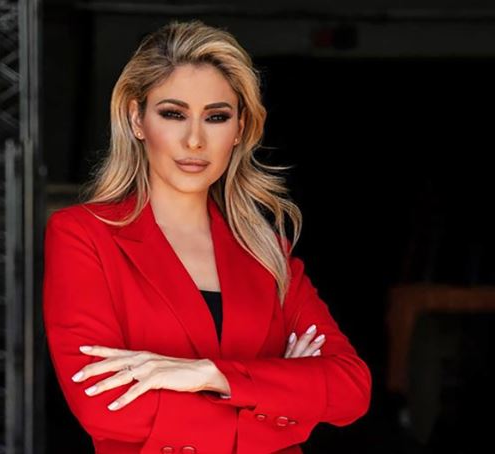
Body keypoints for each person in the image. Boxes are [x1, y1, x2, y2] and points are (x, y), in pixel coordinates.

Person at [43, 19, 371, 454]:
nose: (195, 140)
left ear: (240, 129)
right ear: (137, 119)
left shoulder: (265, 249)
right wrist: (282, 405)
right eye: (173, 114)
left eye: (216, 117)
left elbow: (350, 389)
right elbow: (102, 406)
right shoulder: (84, 235)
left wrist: (211, 375)